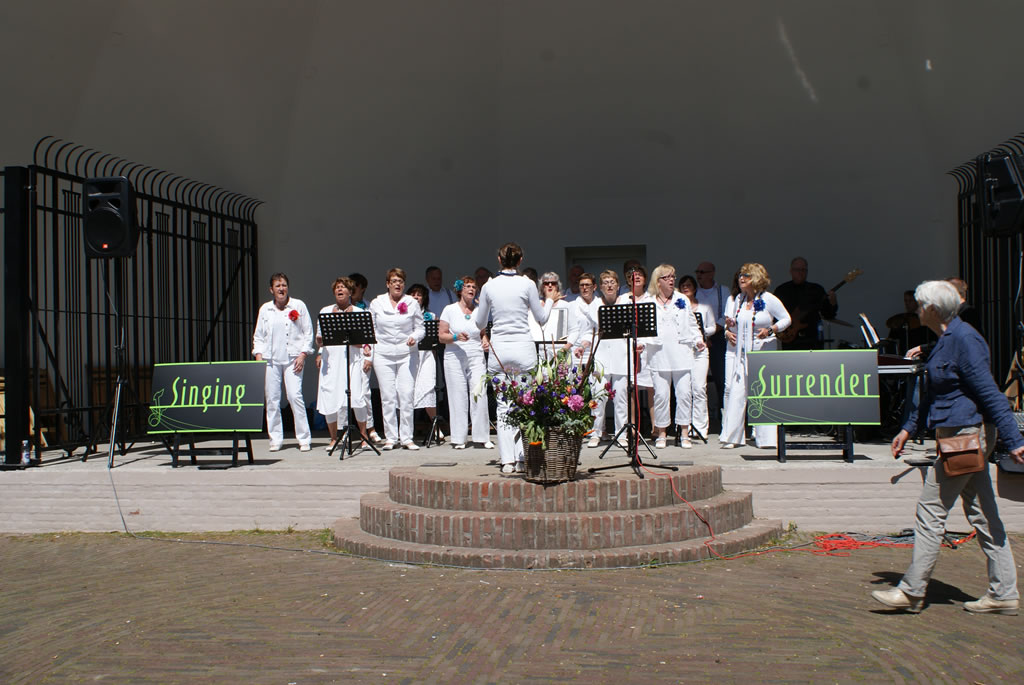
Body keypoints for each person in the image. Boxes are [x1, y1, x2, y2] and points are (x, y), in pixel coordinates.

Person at [873, 280, 1024, 615]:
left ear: (932, 309)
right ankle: (1003, 592)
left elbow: (990, 394)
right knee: (983, 513)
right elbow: (934, 394)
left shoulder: (964, 340)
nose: (916, 308)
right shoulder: (946, 341)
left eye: (919, 304)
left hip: (965, 437)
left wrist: (1015, 441)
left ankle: (912, 591)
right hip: (958, 435)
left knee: (931, 510)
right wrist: (908, 428)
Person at [473, 242, 557, 473]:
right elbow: (541, 318)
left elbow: (479, 323)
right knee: (525, 405)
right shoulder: (527, 284)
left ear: (499, 260)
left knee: (503, 406)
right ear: (520, 261)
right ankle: (521, 458)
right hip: (523, 349)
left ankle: (507, 460)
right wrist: (550, 299)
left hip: (500, 349)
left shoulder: (489, 286)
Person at [720, 263, 791, 449]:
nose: (741, 278)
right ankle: (732, 437)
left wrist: (770, 329)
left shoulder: (769, 299)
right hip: (742, 353)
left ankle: (767, 439)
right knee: (737, 393)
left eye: (746, 276)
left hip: (763, 352)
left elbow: (786, 319)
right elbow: (732, 323)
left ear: (756, 278)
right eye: (740, 275)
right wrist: (728, 328)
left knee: (762, 393)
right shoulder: (739, 299)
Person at [252, 272, 314, 451]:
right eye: (277, 286)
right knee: (272, 399)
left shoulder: (298, 305)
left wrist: (303, 355)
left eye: (284, 285)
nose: (281, 289)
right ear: (271, 289)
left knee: (294, 396)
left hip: (293, 358)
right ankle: (275, 439)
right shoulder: (265, 309)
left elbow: (308, 333)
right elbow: (259, 336)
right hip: (271, 359)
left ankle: (304, 438)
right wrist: (259, 356)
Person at [645, 264, 701, 449]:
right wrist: (640, 344)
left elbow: (692, 324)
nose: (671, 280)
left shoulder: (681, 299)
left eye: (672, 277)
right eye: (667, 277)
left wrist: (698, 339)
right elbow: (643, 328)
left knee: (684, 394)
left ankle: (684, 432)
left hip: (681, 353)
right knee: (661, 396)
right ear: (658, 281)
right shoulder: (649, 301)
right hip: (659, 354)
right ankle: (662, 432)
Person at [368, 268, 425, 450]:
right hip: (383, 354)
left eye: (400, 281)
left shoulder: (411, 302)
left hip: (406, 353)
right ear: (388, 284)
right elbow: (371, 329)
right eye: (394, 281)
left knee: (406, 394)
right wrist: (369, 353)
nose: (397, 284)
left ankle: (407, 437)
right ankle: (391, 437)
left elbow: (420, 328)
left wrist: (414, 337)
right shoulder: (377, 303)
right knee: (387, 396)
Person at [315, 277, 372, 452]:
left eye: (343, 287)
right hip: (331, 361)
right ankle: (334, 438)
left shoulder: (359, 312)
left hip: (352, 361)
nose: (340, 290)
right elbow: (319, 339)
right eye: (337, 288)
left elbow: (365, 340)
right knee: (330, 397)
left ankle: (363, 436)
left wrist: (366, 351)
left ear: (350, 292)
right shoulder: (325, 311)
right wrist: (320, 349)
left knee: (357, 397)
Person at [439, 276, 493, 449]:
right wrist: (455, 337)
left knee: (479, 393)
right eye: (468, 286)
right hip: (454, 355)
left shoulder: (479, 311)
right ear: (460, 290)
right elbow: (442, 336)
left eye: (474, 287)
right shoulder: (449, 309)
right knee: (457, 396)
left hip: (476, 355)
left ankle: (482, 436)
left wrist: (485, 339)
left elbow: (483, 332)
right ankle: (459, 438)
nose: (471, 289)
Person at [591, 270, 629, 447]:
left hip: (621, 356)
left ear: (618, 285)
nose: (609, 285)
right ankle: (596, 433)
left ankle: (621, 434)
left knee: (621, 397)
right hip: (601, 357)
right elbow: (588, 330)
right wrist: (585, 343)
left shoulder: (626, 302)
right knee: (598, 396)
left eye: (612, 282)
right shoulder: (595, 304)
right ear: (600, 287)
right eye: (605, 282)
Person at [617, 264, 654, 434]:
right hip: (628, 348)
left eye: (640, 275)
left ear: (645, 279)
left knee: (651, 387)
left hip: (648, 348)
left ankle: (655, 427)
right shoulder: (623, 299)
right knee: (631, 388)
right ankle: (632, 427)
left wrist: (643, 343)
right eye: (632, 275)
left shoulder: (651, 298)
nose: (636, 277)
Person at [679, 274, 717, 440]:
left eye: (689, 285)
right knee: (684, 390)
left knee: (700, 388)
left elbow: (712, 327)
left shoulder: (704, 307)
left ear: (695, 288)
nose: (686, 288)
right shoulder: (678, 307)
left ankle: (700, 427)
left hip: (700, 350)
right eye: (683, 285)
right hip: (684, 350)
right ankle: (685, 426)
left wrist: (702, 332)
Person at [695, 261, 731, 434]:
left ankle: (726, 420)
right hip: (698, 339)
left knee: (722, 379)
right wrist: (702, 336)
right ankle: (698, 423)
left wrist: (712, 331)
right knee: (697, 382)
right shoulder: (695, 292)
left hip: (718, 337)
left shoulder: (722, 291)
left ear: (712, 273)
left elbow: (726, 315)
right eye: (697, 272)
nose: (699, 275)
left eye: (702, 272)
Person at [773, 257, 837, 350]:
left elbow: (828, 315)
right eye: (797, 270)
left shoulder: (816, 290)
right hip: (790, 340)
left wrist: (833, 303)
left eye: (803, 270)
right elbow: (774, 315)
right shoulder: (781, 290)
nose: (800, 272)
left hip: (812, 339)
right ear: (791, 271)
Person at [407, 283, 442, 442]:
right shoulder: (402, 315)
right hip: (408, 356)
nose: (416, 297)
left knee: (428, 389)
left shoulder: (431, 316)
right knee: (407, 391)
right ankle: (406, 430)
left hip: (426, 356)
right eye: (413, 294)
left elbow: (435, 341)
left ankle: (436, 427)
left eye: (419, 294)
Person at [350, 271, 382, 444]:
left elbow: (373, 334)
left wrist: (370, 357)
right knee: (346, 393)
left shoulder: (369, 307)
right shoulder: (343, 306)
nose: (351, 290)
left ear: (362, 288)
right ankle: (346, 429)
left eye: (355, 287)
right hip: (345, 354)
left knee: (364, 392)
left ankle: (370, 428)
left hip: (364, 353)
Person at [530, 272, 574, 350]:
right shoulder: (536, 304)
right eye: (546, 283)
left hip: (560, 350)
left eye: (553, 283)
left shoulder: (566, 305)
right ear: (541, 286)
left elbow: (574, 330)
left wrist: (565, 349)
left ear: (557, 286)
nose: (550, 285)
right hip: (539, 350)